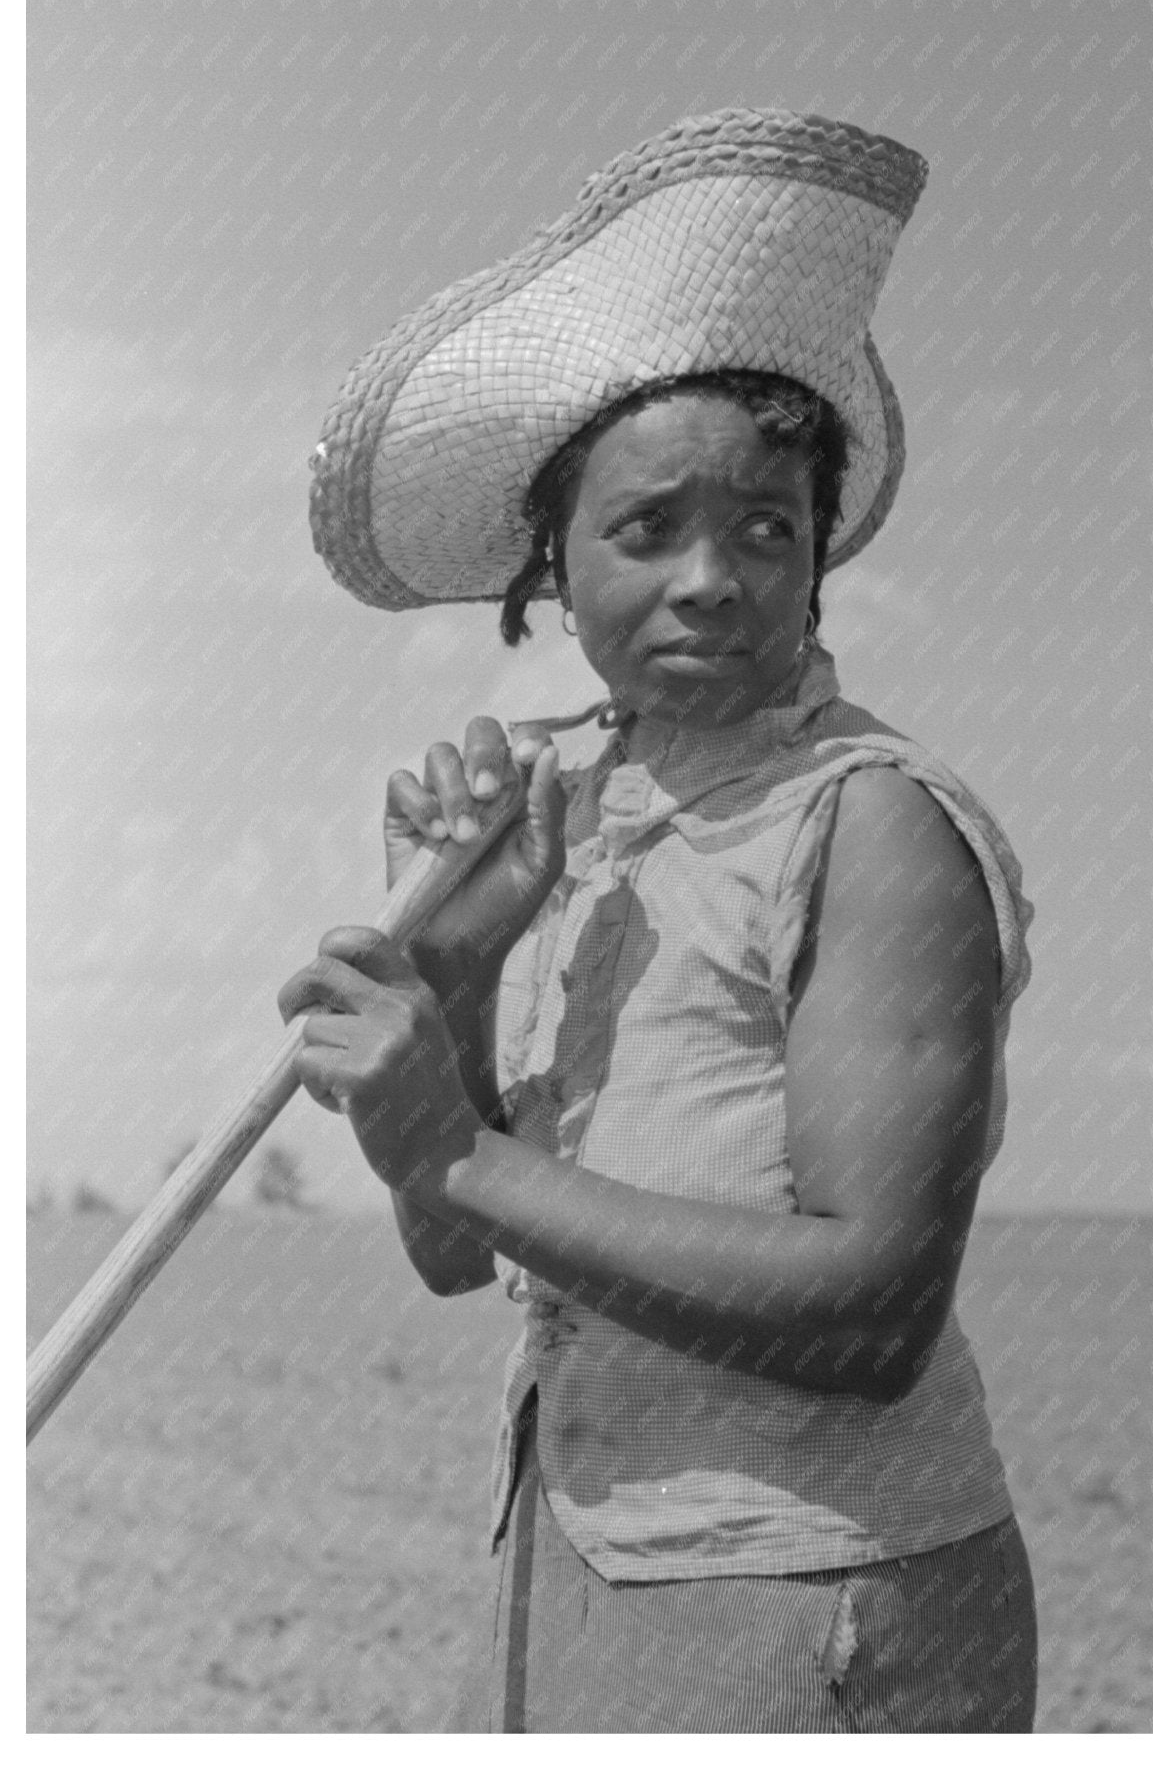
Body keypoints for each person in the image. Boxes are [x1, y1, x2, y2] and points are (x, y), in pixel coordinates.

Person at [282, 109, 1038, 1732]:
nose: (711, 576)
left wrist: (454, 1149)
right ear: (548, 568)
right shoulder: (572, 819)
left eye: (766, 527)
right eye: (646, 528)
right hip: (576, 1552)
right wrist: (463, 968)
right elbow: (444, 1253)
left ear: (818, 559)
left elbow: (874, 1310)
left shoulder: (872, 824)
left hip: (813, 1595)